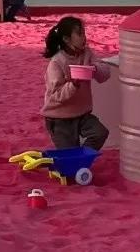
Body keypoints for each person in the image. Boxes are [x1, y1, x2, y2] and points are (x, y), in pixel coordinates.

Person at [42, 16, 111, 151]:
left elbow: (105, 73)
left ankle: (82, 156)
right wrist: (73, 84)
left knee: (100, 133)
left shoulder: (87, 54)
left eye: (84, 33)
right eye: (79, 34)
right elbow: (55, 95)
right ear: (67, 39)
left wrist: (95, 68)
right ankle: (75, 160)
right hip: (59, 119)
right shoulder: (57, 62)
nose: (84, 37)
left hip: (82, 114)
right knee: (69, 156)